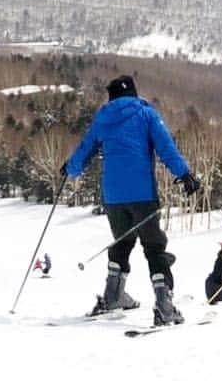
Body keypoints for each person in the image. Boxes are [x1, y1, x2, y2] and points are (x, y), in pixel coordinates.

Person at [62, 74, 201, 326]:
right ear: (133, 93)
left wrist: (70, 168)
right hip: (142, 194)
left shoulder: (102, 118)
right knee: (154, 247)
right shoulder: (145, 114)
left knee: (122, 241)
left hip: (113, 196)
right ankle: (164, 306)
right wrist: (184, 174)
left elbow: (85, 148)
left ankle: (113, 296)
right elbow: (165, 146)